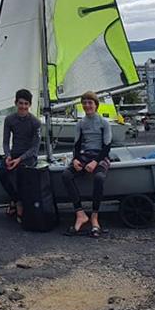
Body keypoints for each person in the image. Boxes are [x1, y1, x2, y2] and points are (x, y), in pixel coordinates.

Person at [61, 91, 112, 238]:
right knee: (66, 175)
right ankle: (80, 213)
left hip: (100, 156)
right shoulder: (81, 124)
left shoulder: (104, 123)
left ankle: (95, 217)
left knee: (99, 178)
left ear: (96, 105)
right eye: (84, 103)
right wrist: (75, 159)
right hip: (85, 156)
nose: (87, 105)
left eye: (90, 102)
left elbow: (107, 147)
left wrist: (95, 162)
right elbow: (76, 146)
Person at [0, 88, 41, 222]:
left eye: (26, 104)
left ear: (29, 105)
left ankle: (18, 203)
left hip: (28, 156)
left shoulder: (35, 122)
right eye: (21, 103)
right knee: (2, 172)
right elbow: (5, 142)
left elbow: (35, 148)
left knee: (20, 173)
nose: (23, 106)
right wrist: (8, 155)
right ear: (16, 103)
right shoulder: (9, 119)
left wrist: (19, 160)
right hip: (14, 153)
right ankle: (16, 201)